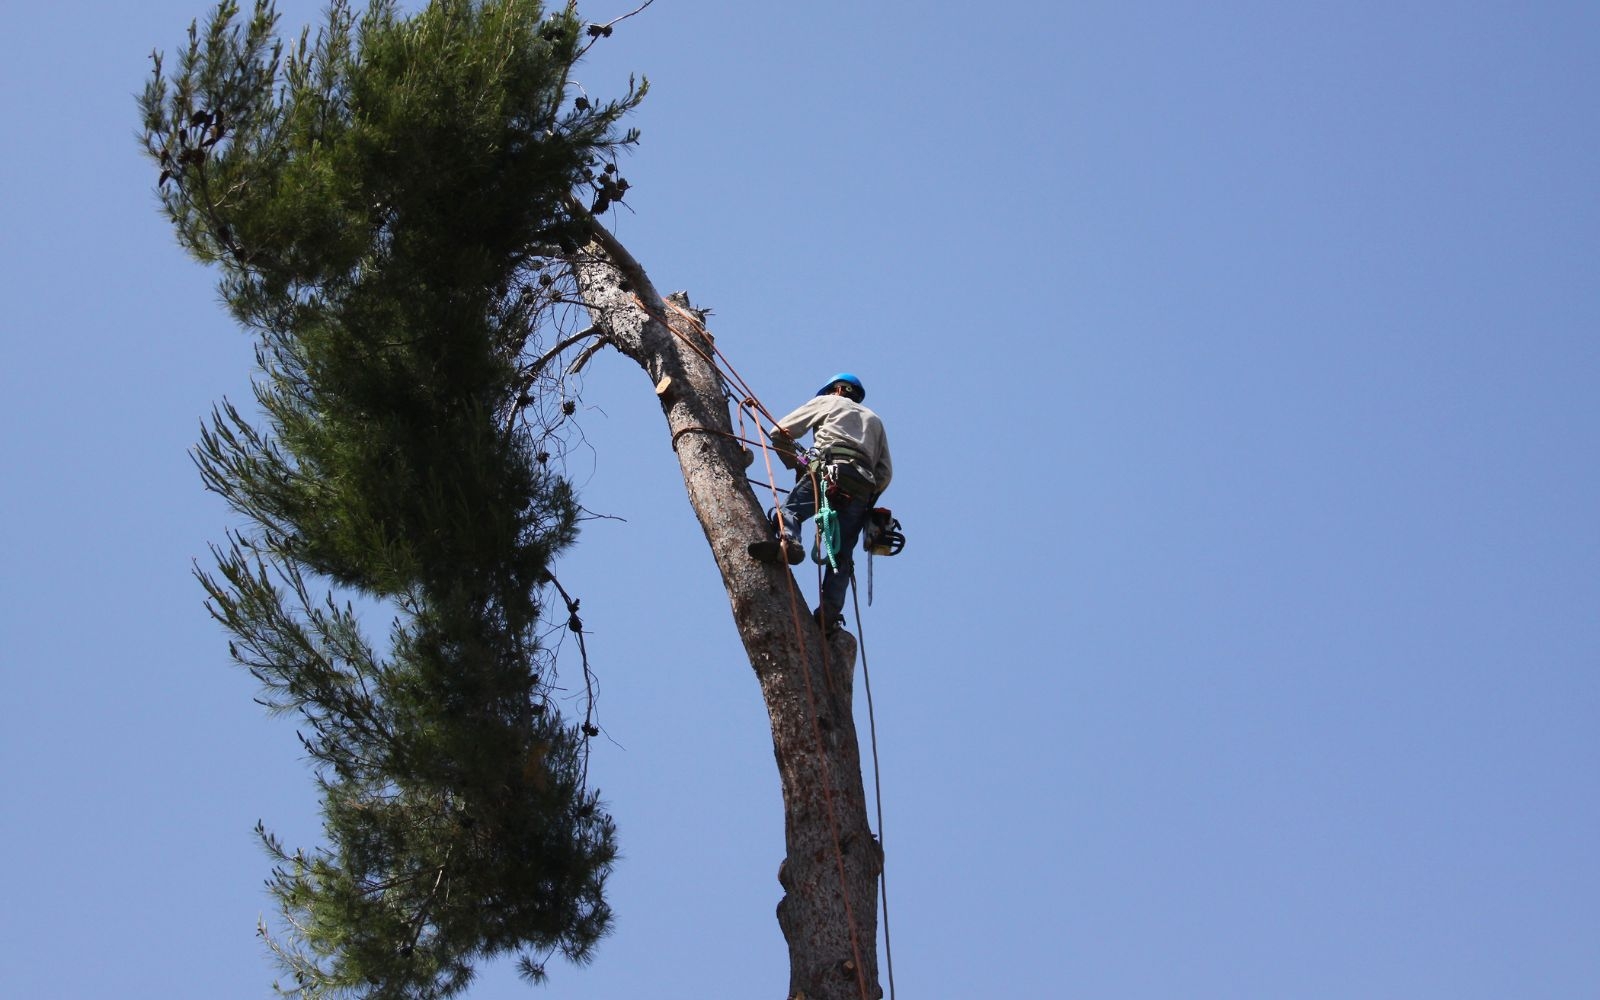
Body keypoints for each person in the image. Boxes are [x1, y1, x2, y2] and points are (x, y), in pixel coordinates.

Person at [748, 373, 893, 631]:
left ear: (837, 390)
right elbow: (885, 474)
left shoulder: (828, 402)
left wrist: (796, 465)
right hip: (862, 487)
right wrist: (865, 499)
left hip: (830, 471)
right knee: (842, 555)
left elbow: (779, 432)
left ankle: (789, 543)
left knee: (790, 510)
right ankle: (829, 614)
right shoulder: (875, 420)